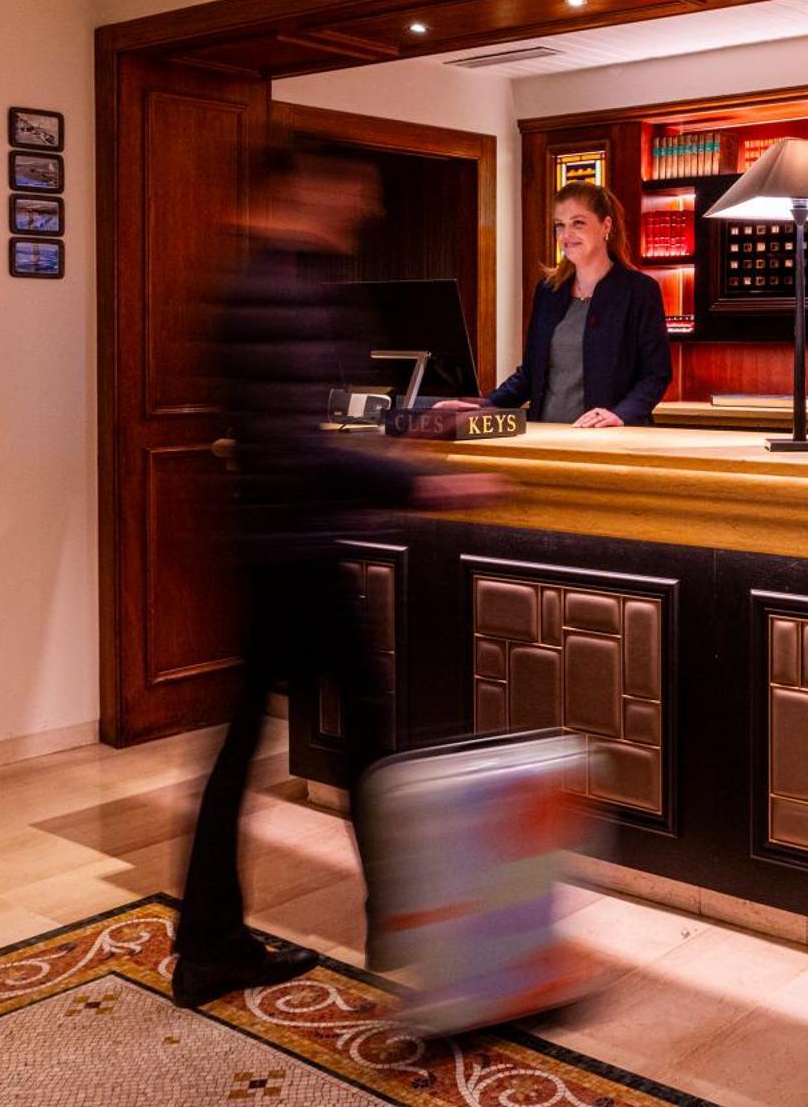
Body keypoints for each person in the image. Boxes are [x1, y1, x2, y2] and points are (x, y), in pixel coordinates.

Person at [172, 142, 504, 1010]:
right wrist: (424, 482)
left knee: (305, 742)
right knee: (364, 741)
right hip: (295, 549)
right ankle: (409, 936)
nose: (363, 208)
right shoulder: (277, 288)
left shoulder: (287, 279)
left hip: (279, 545)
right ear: (302, 188)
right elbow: (295, 445)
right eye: (350, 190)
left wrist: (416, 415)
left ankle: (219, 942)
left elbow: (327, 413)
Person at [450, 182, 670, 426]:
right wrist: (484, 405)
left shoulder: (639, 291)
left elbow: (656, 375)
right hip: (545, 438)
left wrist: (620, 415)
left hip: (609, 441)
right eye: (560, 225)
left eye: (578, 223)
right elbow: (531, 375)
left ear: (606, 225)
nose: (566, 235)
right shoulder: (548, 291)